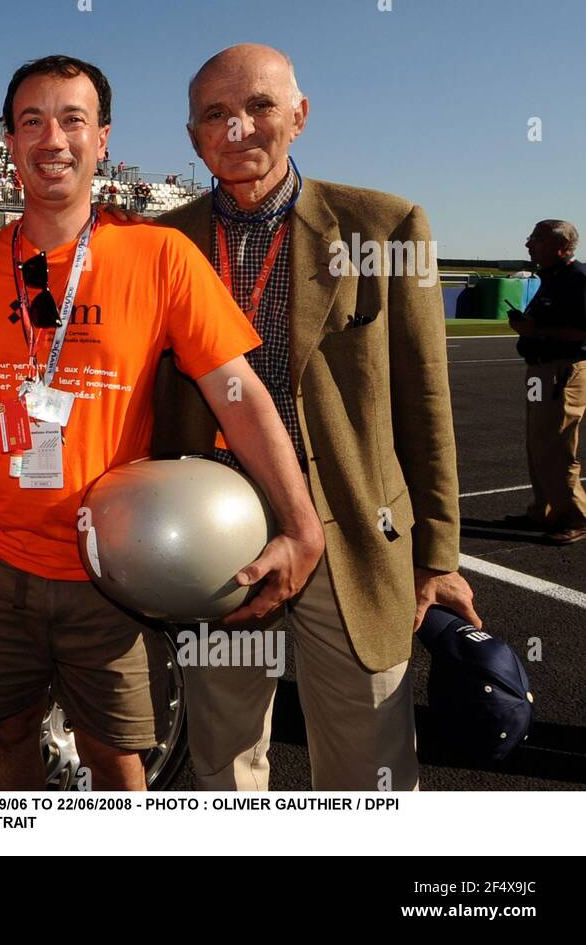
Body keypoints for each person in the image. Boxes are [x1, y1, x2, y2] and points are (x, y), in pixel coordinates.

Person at [0, 55, 323, 790]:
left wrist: (301, 523)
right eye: (31, 121)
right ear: (7, 141)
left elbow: (238, 392)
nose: (53, 139)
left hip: (111, 561)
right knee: (9, 733)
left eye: (73, 119)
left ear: (103, 139)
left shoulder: (159, 254)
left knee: (115, 752)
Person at [153, 43, 480, 791]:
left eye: (259, 106)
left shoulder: (387, 226)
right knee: (223, 763)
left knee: (368, 771)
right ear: (193, 136)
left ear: (299, 116)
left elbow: (426, 400)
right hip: (217, 537)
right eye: (215, 114)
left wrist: (439, 554)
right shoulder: (161, 242)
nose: (238, 128)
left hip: (351, 533)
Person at [508, 219, 586, 543]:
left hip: (562, 370)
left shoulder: (578, 279)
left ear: (560, 246)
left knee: (557, 444)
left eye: (535, 239)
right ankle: (545, 511)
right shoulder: (551, 279)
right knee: (537, 440)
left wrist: (536, 331)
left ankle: (575, 517)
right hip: (539, 371)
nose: (528, 245)